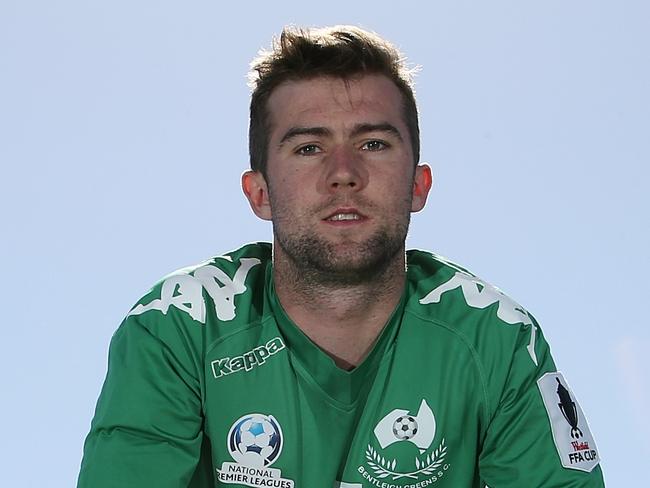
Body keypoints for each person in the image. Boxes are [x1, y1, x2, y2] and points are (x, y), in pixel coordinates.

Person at [78, 25, 605, 487]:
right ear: (259, 193)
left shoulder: (496, 338)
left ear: (419, 184)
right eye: (308, 148)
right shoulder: (176, 327)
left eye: (374, 143)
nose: (344, 172)